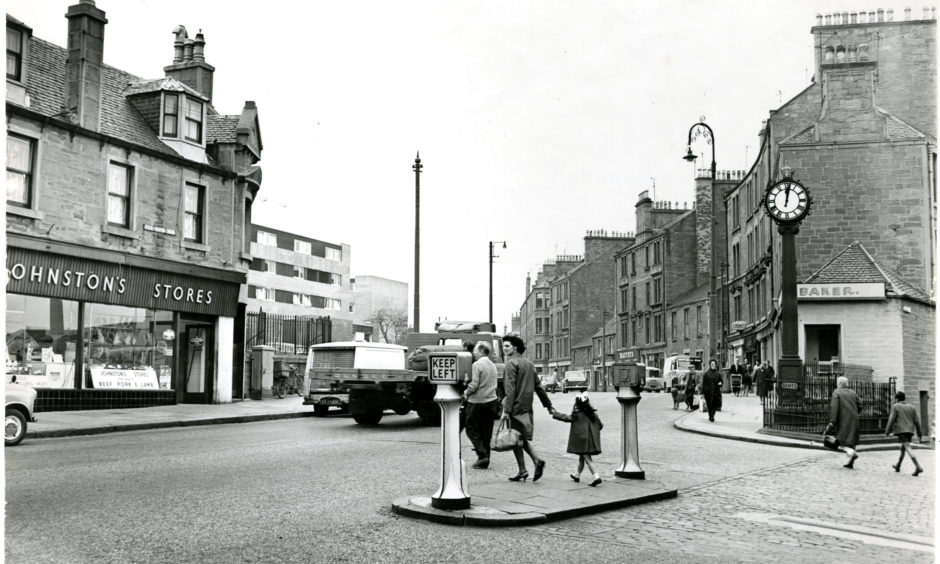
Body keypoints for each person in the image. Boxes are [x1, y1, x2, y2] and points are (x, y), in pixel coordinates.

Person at [499, 335, 555, 482]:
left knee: (517, 438)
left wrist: (506, 410)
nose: (504, 349)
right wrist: (548, 405)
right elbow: (538, 387)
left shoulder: (511, 364)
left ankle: (534, 462)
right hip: (526, 406)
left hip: (514, 406)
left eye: (507, 346)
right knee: (518, 438)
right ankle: (524, 469)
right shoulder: (529, 364)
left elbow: (509, 390)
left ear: (515, 347)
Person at [552, 392, 603, 487]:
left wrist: (555, 414)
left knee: (587, 459)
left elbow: (566, 418)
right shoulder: (593, 414)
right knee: (582, 458)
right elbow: (600, 426)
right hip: (590, 441)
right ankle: (577, 475)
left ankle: (596, 477)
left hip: (581, 440)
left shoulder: (577, 414)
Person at [463, 341, 499, 469]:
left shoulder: (477, 365)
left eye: (476, 351)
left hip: (477, 402)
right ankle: (485, 459)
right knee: (486, 431)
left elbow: (474, 384)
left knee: (470, 427)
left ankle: (481, 453)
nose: (474, 353)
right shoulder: (493, 365)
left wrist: (466, 393)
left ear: (481, 351)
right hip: (492, 402)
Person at [885, 391, 924, 476]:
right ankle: (898, 465)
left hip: (901, 431)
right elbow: (917, 421)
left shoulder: (896, 406)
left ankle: (918, 466)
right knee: (903, 448)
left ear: (897, 399)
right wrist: (920, 434)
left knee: (907, 447)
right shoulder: (912, 407)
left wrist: (887, 431)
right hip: (910, 431)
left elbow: (891, 419)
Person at [828, 376, 862, 469]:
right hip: (854, 419)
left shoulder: (837, 392)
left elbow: (834, 407)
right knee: (852, 441)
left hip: (843, 420)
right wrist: (855, 412)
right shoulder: (853, 392)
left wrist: (832, 421)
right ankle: (851, 462)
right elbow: (860, 404)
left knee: (840, 441)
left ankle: (851, 453)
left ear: (838, 383)